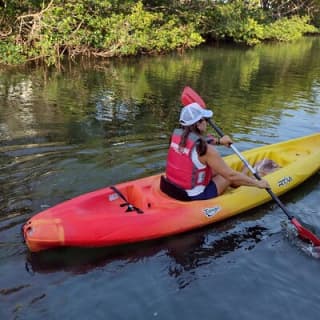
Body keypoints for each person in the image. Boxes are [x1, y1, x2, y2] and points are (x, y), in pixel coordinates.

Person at [162, 102, 270, 201]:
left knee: (217, 169)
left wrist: (220, 141)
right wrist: (258, 183)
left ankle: (242, 177)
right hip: (195, 196)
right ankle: (245, 177)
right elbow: (230, 175)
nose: (207, 122)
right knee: (228, 175)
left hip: (172, 188)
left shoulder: (175, 136)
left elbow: (199, 140)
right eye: (205, 119)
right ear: (199, 124)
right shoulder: (208, 150)